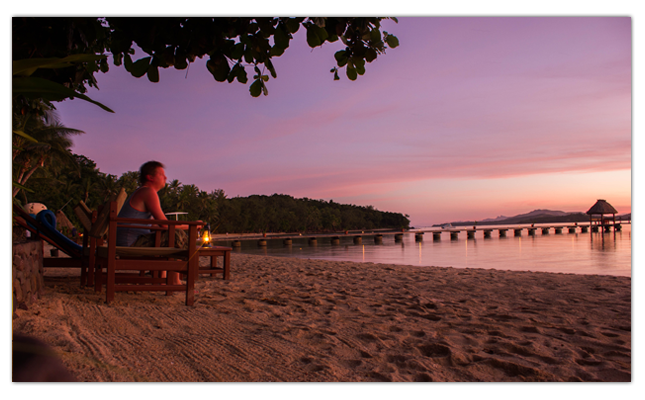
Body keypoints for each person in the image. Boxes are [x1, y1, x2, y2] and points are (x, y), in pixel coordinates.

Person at [116, 161, 197, 286]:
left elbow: (156, 224)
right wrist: (192, 226)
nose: (165, 178)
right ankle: (175, 280)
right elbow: (164, 224)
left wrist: (190, 226)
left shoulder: (143, 192)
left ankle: (164, 277)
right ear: (150, 177)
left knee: (170, 234)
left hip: (128, 241)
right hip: (130, 244)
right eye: (161, 174)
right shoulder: (148, 192)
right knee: (176, 235)